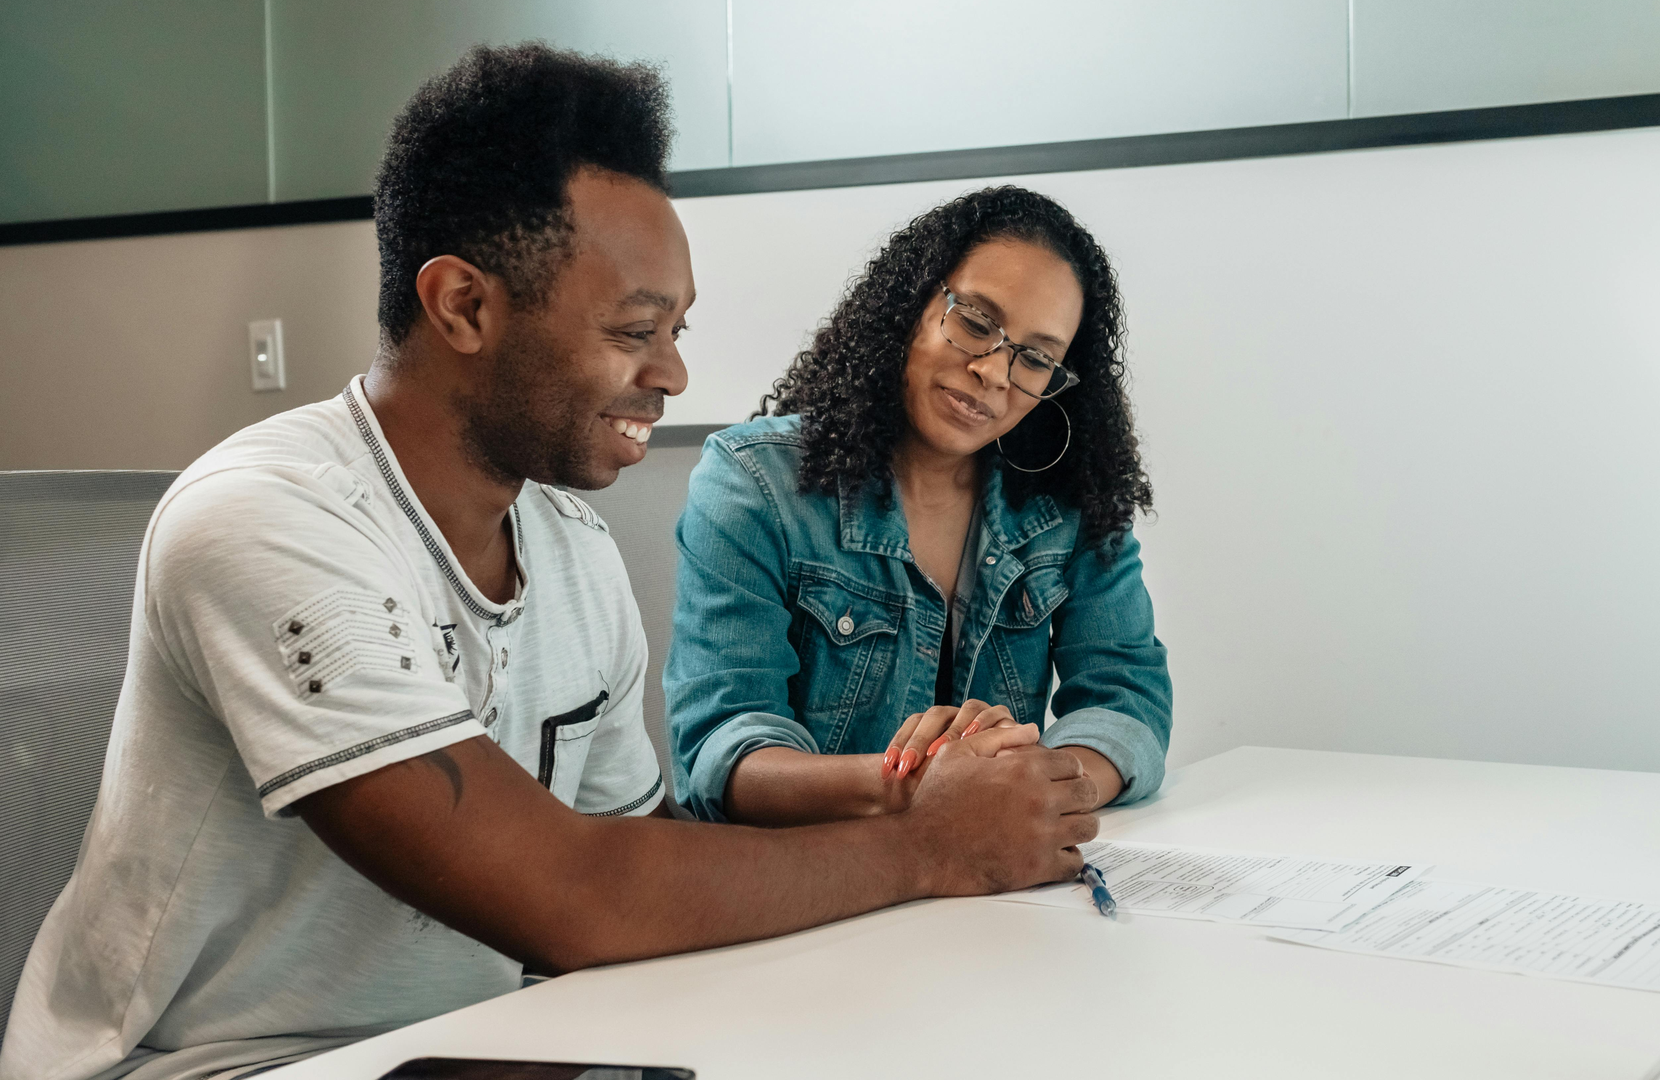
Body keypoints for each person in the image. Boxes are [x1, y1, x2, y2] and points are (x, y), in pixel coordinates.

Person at [0, 46, 1100, 1080]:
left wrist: (915, 797)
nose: (671, 374)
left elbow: (644, 856)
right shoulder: (267, 519)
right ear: (465, 306)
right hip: (225, 1065)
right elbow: (577, 894)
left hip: (488, 1046)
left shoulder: (572, 548)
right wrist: (929, 844)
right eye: (634, 330)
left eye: (678, 330)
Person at [667, 186, 1172, 826]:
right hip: (814, 882)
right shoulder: (753, 482)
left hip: (990, 885)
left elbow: (1129, 701)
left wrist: (1036, 786)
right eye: (976, 323)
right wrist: (920, 789)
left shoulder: (1070, 502)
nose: (993, 372)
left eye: (1037, 358)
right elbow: (722, 755)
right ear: (911, 303)